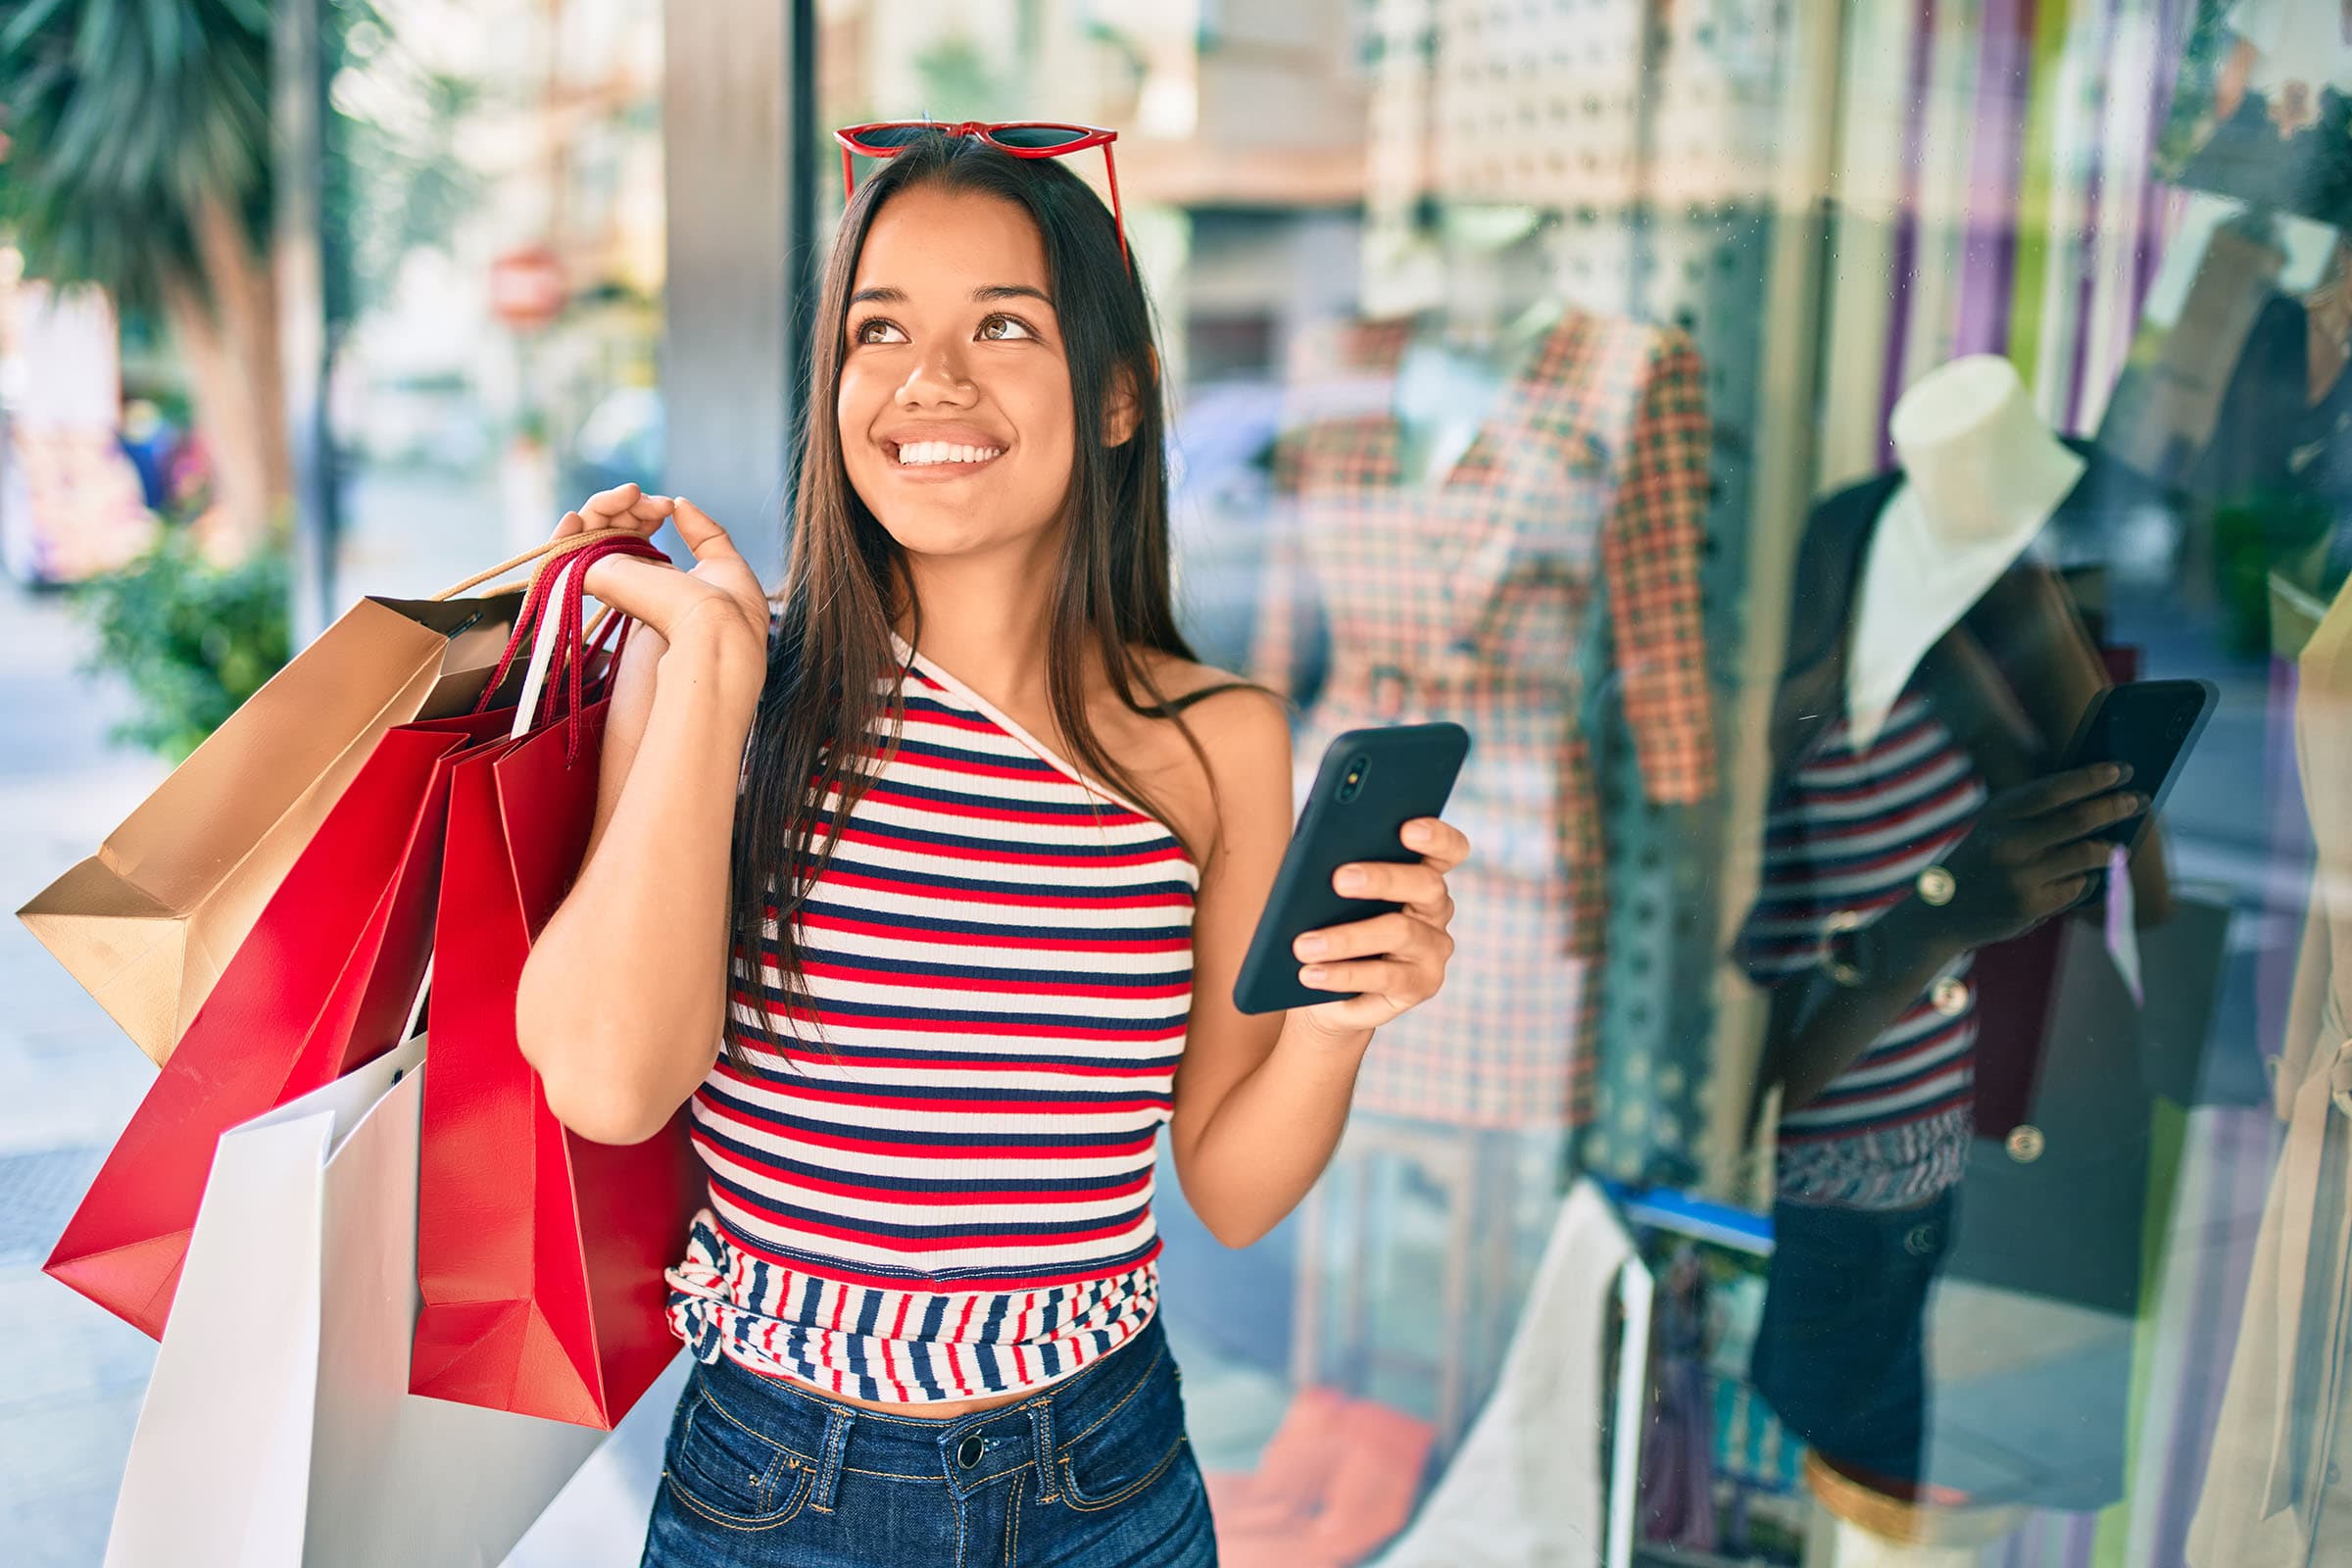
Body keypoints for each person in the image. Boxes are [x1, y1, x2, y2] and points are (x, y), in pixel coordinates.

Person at [511, 124, 1470, 1567]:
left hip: (1110, 1477)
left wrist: (1344, 1023)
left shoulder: (1217, 739)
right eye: (877, 329)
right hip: (780, 1485)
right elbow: (607, 1084)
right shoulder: (725, 677)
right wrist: (709, 675)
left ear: (1120, 397)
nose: (927, 380)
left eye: (1003, 325)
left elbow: (1230, 1182)